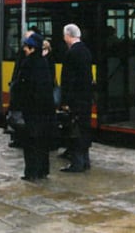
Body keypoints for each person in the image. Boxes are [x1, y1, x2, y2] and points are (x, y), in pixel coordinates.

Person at [11, 31, 55, 181]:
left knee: (30, 142)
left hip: (31, 110)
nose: (24, 49)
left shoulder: (28, 63)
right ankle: (43, 170)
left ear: (32, 48)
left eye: (27, 46)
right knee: (42, 141)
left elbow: (22, 87)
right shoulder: (43, 62)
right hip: (45, 110)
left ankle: (31, 172)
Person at [59, 23, 93, 173]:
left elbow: (67, 80)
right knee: (84, 129)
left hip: (75, 99)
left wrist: (65, 101)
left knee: (75, 130)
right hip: (85, 97)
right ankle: (85, 161)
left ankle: (77, 163)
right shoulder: (85, 51)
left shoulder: (71, 53)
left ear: (68, 36)